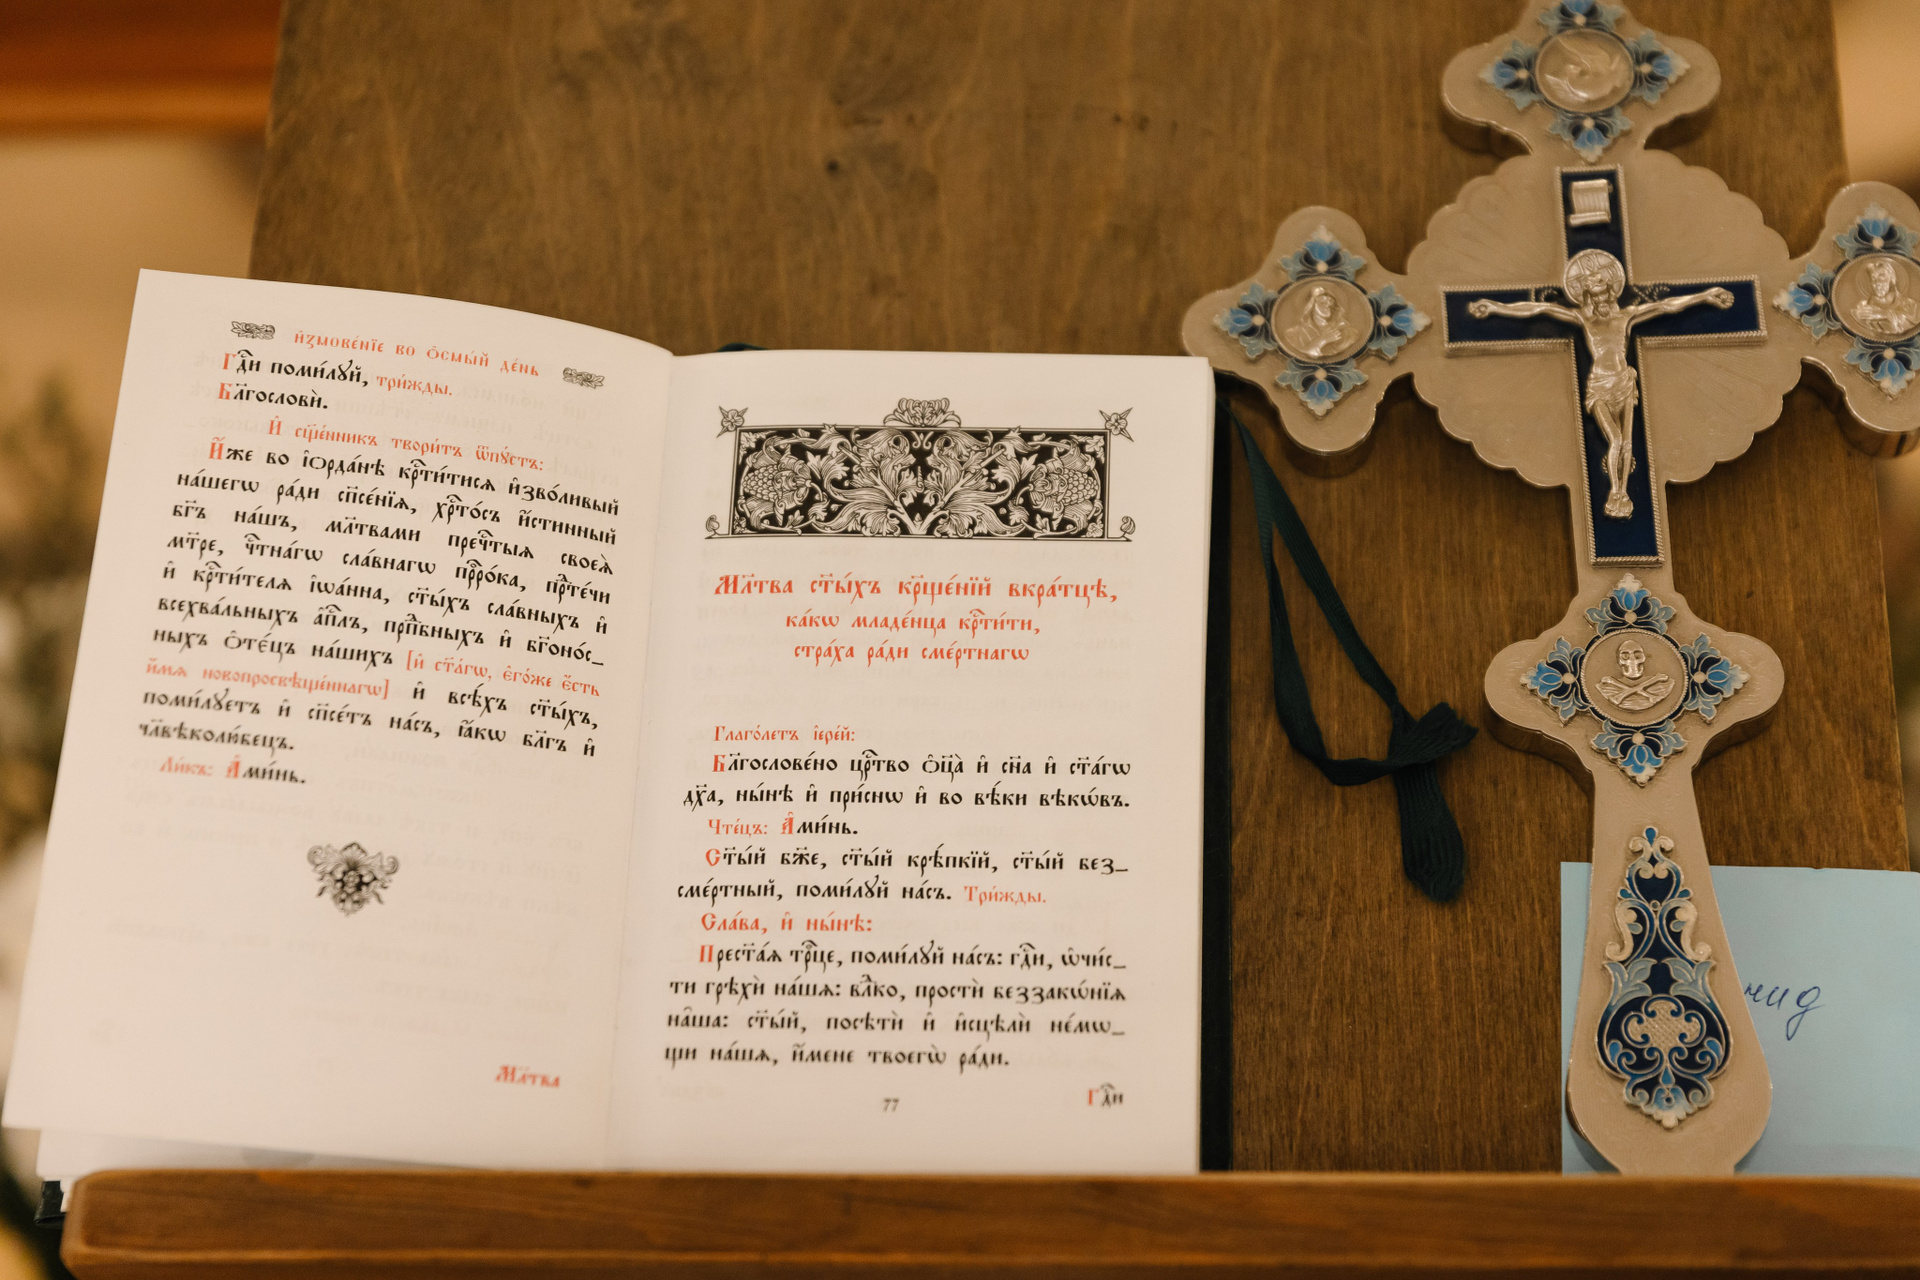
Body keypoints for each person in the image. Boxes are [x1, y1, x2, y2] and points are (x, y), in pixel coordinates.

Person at [1468, 250, 1732, 519]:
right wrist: (1495, 307)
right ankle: (1614, 490)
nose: (1602, 299)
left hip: (1624, 382)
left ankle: (1623, 494)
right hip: (1600, 386)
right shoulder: (1584, 319)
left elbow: (1666, 305)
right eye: (1596, 294)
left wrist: (1705, 296)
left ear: (1612, 293)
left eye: (1605, 292)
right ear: (1588, 296)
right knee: (1614, 439)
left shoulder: (1626, 316)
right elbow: (1540, 309)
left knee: (1627, 442)